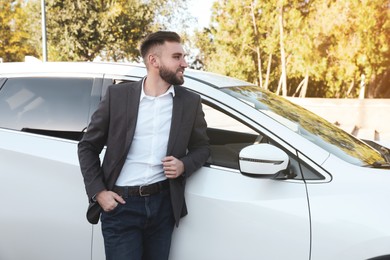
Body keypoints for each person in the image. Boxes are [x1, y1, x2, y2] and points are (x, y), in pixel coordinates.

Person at [78, 31, 210, 260]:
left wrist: (184, 165)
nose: (184, 63)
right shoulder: (118, 96)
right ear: (154, 61)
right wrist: (99, 192)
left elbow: (203, 147)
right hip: (121, 207)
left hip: (163, 207)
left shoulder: (190, 102)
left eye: (183, 57)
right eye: (177, 57)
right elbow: (87, 147)